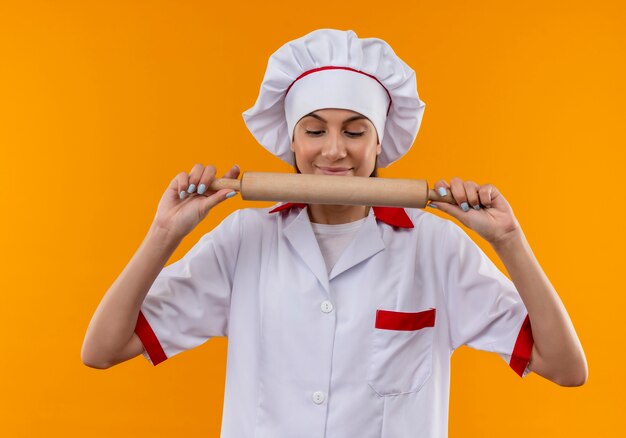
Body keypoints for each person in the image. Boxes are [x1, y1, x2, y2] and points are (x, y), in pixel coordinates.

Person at [82, 29, 587, 437]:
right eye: (315, 130)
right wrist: (163, 235)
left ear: (379, 139)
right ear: (291, 139)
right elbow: (102, 350)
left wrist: (509, 241)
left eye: (354, 130)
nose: (332, 152)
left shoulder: (437, 247)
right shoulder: (244, 240)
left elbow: (565, 368)